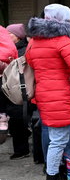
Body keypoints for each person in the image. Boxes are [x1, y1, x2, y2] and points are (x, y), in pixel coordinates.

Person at [26, 3, 70, 180]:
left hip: (44, 93)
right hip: (59, 94)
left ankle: (58, 175)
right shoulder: (63, 40)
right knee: (59, 140)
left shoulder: (34, 41)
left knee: (55, 137)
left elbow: (32, 63)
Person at [3, 24, 32, 159]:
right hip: (8, 86)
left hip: (18, 87)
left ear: (18, 36)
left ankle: (21, 149)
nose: (7, 36)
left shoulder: (23, 49)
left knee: (17, 117)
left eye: (11, 34)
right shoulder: (8, 48)